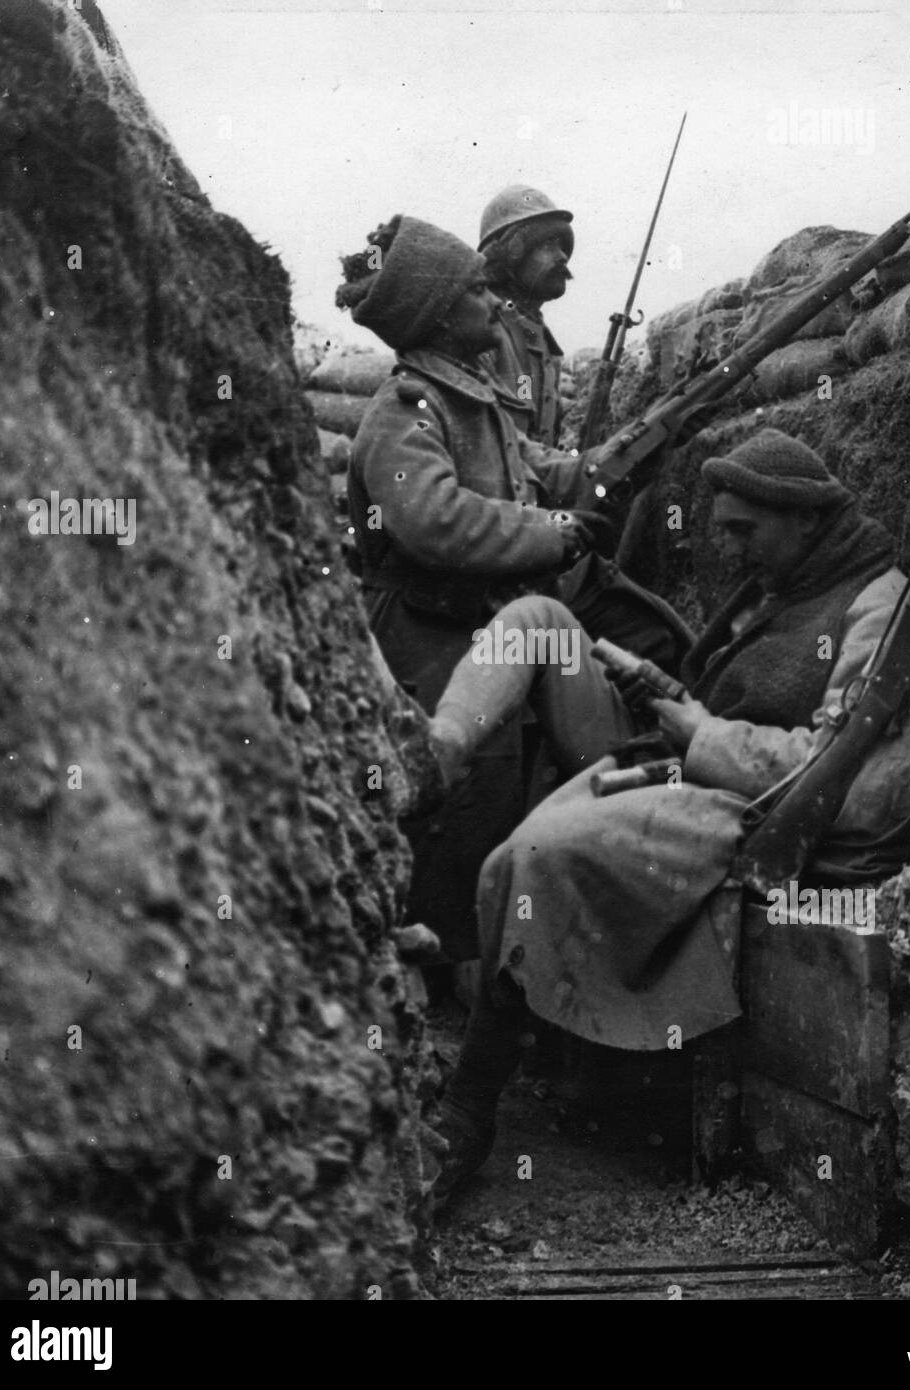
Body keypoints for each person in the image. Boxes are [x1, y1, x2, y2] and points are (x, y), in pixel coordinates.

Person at [425, 428, 910, 1200]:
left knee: (527, 859)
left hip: (747, 805)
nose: (730, 550)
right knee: (536, 618)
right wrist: (670, 696)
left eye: (741, 529)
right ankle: (436, 754)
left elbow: (842, 773)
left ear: (800, 516)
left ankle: (469, 1107)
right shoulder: (787, 581)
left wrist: (700, 733)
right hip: (685, 757)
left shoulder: (874, 604)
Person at [336, 214, 609, 962]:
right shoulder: (405, 411)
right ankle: (429, 994)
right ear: (439, 313)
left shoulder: (468, 400)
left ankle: (466, 979)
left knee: (489, 805)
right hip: (425, 638)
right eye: (478, 293)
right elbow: (434, 522)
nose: (494, 306)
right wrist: (550, 533)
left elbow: (536, 466)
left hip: (474, 633)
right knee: (445, 806)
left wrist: (610, 464)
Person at [478, 186, 573, 446]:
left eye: (562, 245)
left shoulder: (539, 337)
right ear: (510, 253)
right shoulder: (482, 330)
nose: (563, 256)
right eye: (547, 244)